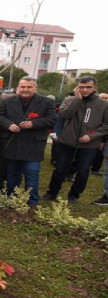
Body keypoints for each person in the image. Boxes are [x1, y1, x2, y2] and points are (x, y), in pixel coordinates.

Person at [41, 76, 108, 204]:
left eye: (88, 87)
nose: (84, 90)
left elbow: (106, 125)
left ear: (95, 88)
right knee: (60, 168)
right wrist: (77, 99)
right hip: (67, 141)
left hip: (89, 143)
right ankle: (52, 193)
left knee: (83, 170)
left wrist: (92, 135)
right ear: (77, 87)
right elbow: (65, 114)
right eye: (81, 87)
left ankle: (74, 195)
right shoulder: (69, 99)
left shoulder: (103, 104)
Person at [0, 77, 56, 207]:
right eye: (22, 87)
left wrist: (33, 123)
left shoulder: (46, 102)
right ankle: (11, 198)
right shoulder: (9, 101)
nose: (25, 89)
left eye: (29, 87)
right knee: (12, 174)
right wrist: (8, 124)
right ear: (18, 87)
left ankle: (32, 201)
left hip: (33, 145)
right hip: (13, 144)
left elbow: (52, 119)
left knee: (32, 173)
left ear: (35, 88)